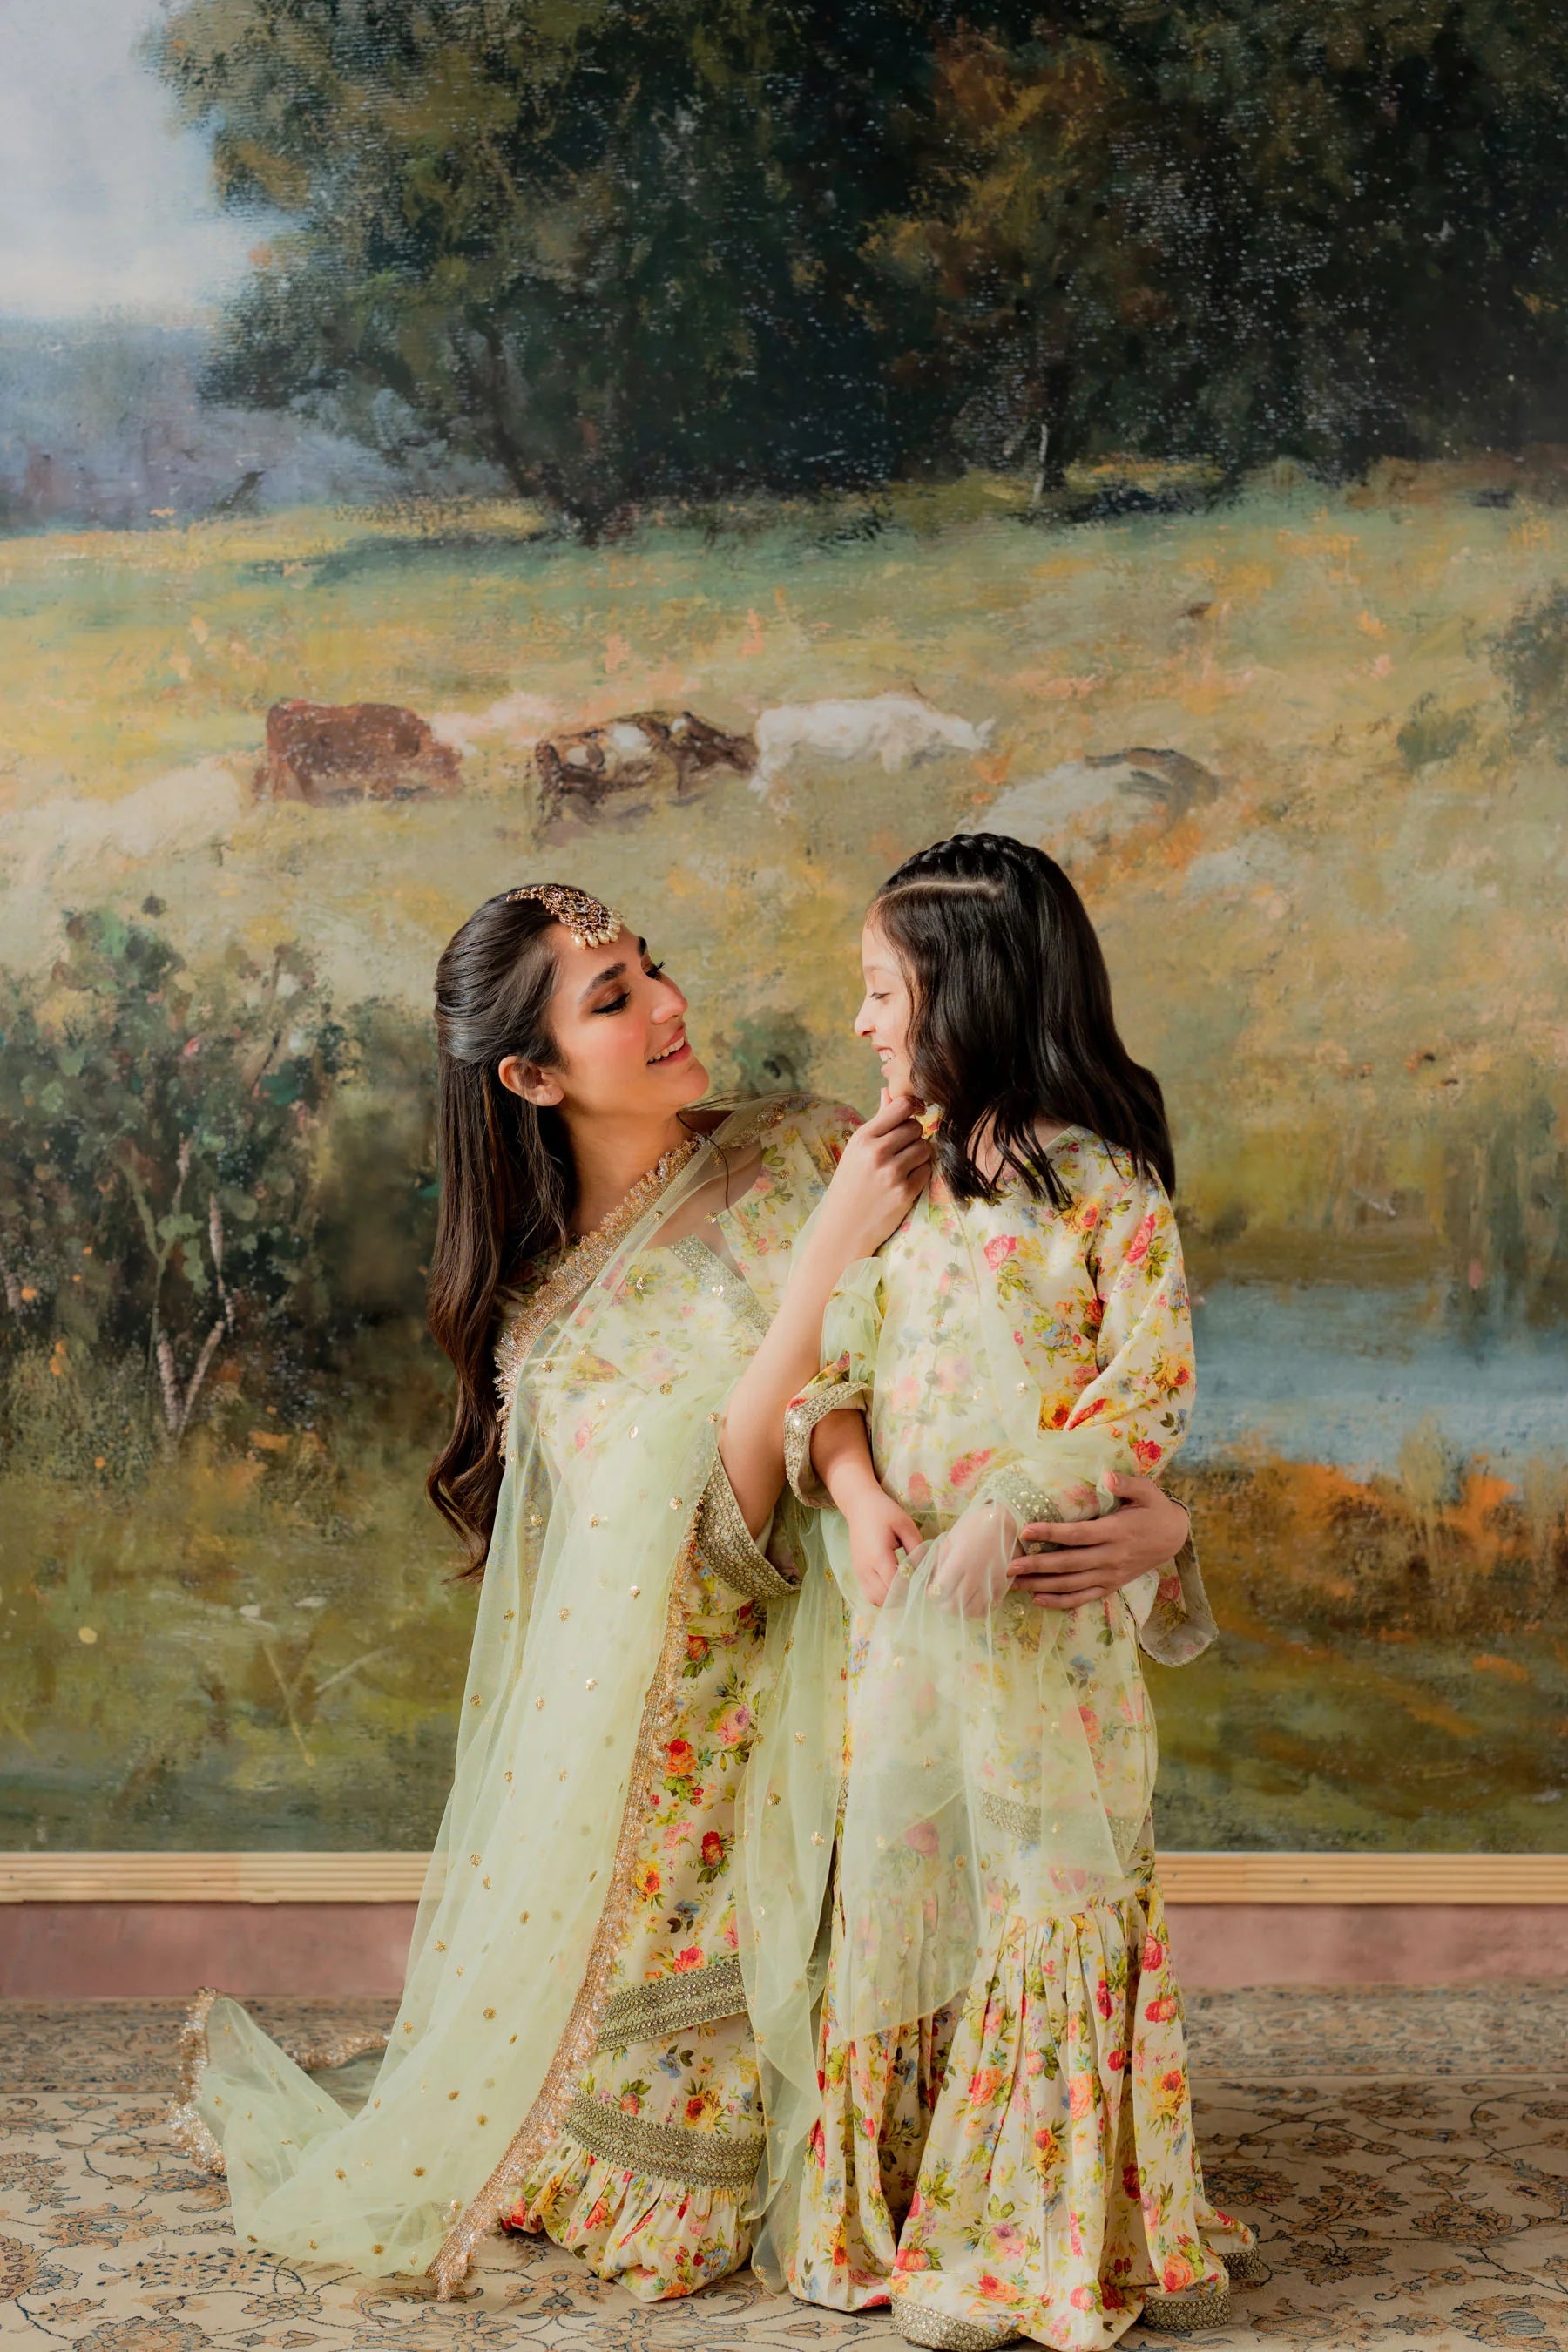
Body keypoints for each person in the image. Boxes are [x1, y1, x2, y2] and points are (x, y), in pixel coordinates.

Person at [168, 879, 1195, 2304]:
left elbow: (1021, 1339)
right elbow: (723, 1533)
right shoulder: (560, 1340)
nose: (667, 1005)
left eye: (652, 968)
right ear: (533, 1078)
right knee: (719, 2189)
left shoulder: (816, 1141)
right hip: (733, 1755)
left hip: (935, 1647)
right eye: (613, 999)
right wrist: (826, 1254)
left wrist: (1153, 1519)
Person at [742, 835, 1255, 2349]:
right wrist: (859, 1498)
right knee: (906, 1887)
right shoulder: (893, 1182)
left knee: (1048, 1892)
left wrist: (1013, 1508)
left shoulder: (1105, 1188)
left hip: (1041, 1619)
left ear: (968, 990)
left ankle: (1028, 2232)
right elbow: (826, 1376)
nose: (861, 1021)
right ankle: (904, 2205)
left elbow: (1144, 1396)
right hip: (904, 1620)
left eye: (881, 990)